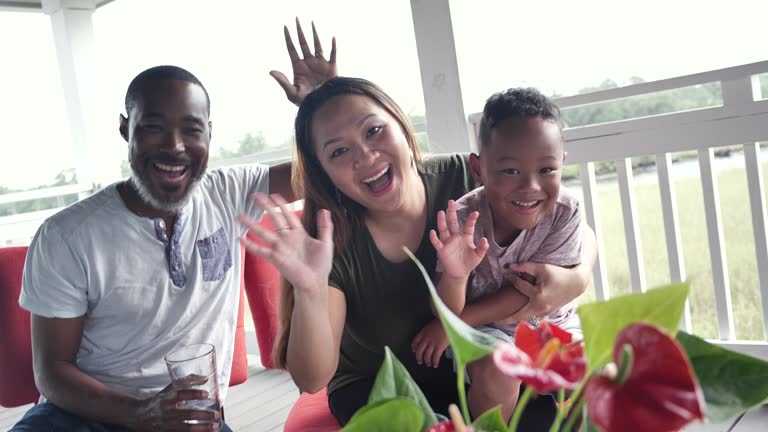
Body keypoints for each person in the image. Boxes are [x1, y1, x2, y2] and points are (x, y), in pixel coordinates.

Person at [240, 22, 598, 428]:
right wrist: (309, 288)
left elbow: (567, 225)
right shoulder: (334, 238)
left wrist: (577, 276)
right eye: (339, 151)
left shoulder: (462, 177)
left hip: (472, 366)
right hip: (379, 384)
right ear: (323, 172)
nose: (365, 156)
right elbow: (313, 379)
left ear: (402, 124)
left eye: (375, 130)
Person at [12, 65, 294, 431]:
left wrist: (321, 100)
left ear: (209, 133)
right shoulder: (66, 235)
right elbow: (52, 373)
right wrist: (142, 414)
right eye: (153, 127)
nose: (174, 147)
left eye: (191, 130)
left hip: (190, 415)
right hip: (83, 415)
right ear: (125, 128)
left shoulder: (230, 193)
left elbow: (327, 171)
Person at [411, 87, 583, 421]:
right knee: (498, 370)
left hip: (551, 322)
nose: (530, 186)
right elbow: (444, 310)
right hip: (487, 331)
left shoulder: (565, 211)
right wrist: (456, 277)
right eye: (510, 171)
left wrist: (454, 324)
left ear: (562, 163)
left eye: (546, 170)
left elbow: (530, 295)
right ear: (478, 168)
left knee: (597, 374)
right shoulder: (463, 219)